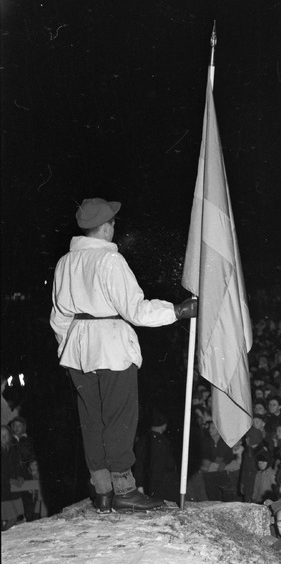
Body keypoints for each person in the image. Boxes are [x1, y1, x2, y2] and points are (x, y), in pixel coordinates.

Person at [50, 198, 197, 512]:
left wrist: (69, 349)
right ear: (106, 227)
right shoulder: (110, 260)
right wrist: (177, 311)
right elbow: (136, 311)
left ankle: (102, 491)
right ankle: (125, 490)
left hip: (77, 349)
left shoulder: (65, 262)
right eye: (113, 223)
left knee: (91, 420)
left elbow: (59, 317)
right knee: (119, 419)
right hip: (111, 346)